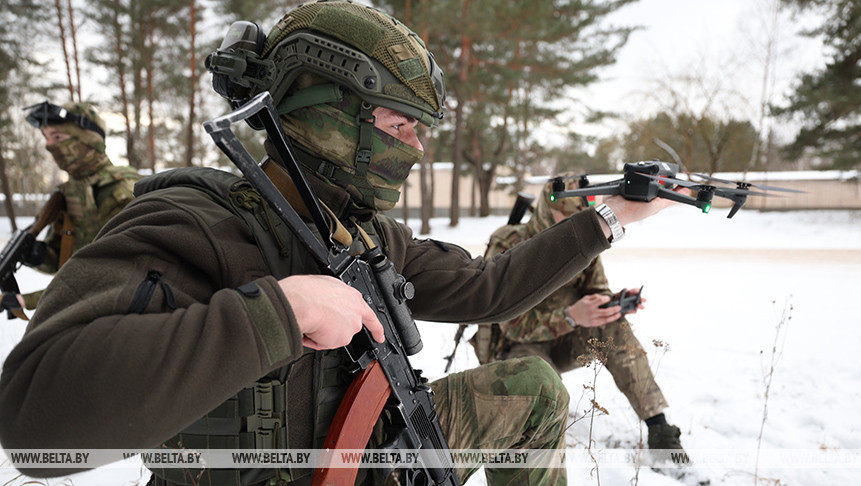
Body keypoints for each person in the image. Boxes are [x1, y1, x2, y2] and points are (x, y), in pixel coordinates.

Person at [0, 2, 687, 485]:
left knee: (534, 386)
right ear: (326, 111)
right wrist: (280, 313)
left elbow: (489, 290)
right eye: (402, 124)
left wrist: (612, 215)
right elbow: (36, 426)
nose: (416, 147)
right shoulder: (193, 224)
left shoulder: (365, 233)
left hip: (370, 462)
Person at [471, 177, 688, 456]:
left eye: (581, 219)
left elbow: (594, 289)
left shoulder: (581, 239)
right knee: (538, 376)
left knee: (613, 324)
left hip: (563, 340)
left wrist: (611, 304)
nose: (575, 227)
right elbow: (509, 324)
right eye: (567, 218)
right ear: (547, 211)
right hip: (518, 347)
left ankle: (659, 427)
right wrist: (570, 317)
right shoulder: (510, 242)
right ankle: (541, 445)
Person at [0, 101, 141, 317]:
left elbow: (116, 272)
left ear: (87, 139)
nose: (49, 146)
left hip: (122, 311)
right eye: (46, 138)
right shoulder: (70, 191)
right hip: (82, 309)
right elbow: (66, 261)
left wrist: (26, 300)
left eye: (57, 137)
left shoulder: (122, 189)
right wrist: (40, 256)